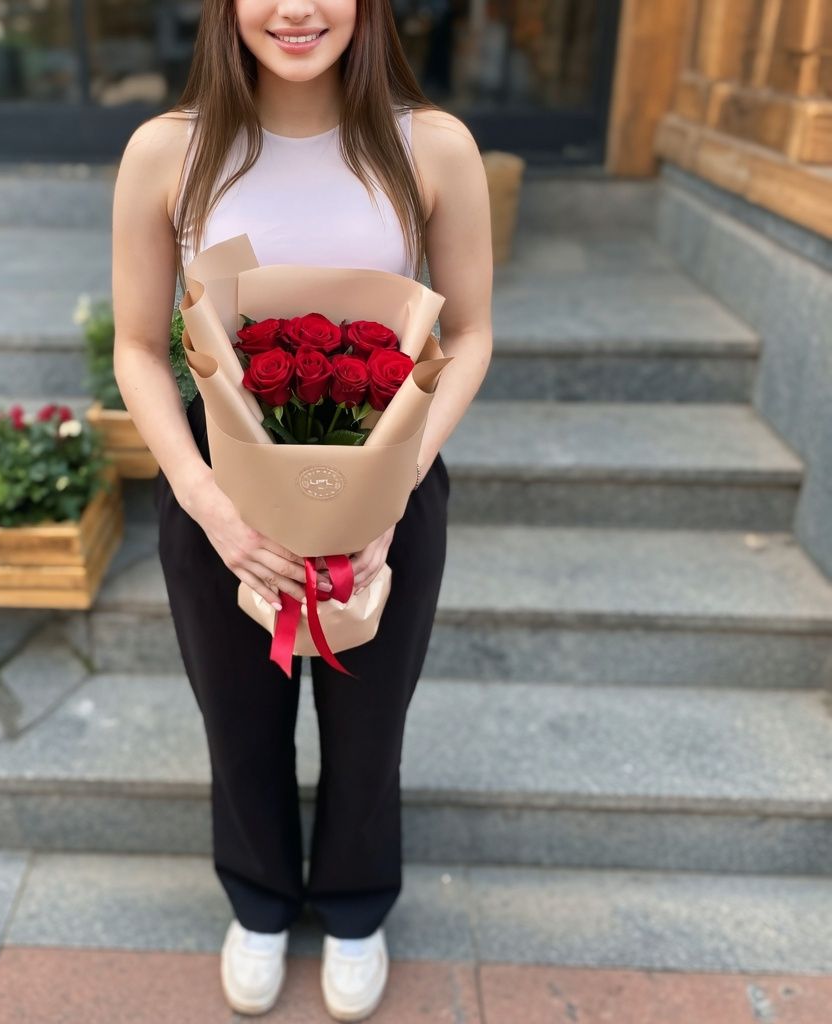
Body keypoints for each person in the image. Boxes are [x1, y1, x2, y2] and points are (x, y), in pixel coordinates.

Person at [111, 0, 493, 1017]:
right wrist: (205, 501)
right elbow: (138, 346)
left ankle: (358, 908)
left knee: (370, 721)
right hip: (219, 494)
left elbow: (469, 334)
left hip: (387, 487)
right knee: (238, 719)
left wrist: (389, 485)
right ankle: (260, 901)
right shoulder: (166, 152)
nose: (294, 10)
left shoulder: (433, 146)